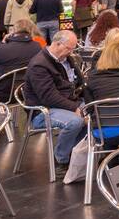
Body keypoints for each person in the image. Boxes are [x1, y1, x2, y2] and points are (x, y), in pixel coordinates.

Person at [23, 31, 87, 174]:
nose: (70, 52)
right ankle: (61, 160)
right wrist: (75, 107)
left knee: (94, 113)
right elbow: (48, 97)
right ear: (57, 44)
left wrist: (85, 103)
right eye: (68, 48)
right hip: (42, 111)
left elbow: (80, 82)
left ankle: (75, 153)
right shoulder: (39, 65)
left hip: (66, 103)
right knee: (75, 121)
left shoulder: (66, 59)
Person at [0, 18, 42, 98]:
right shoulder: (37, 46)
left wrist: (2, 42)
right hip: (25, 91)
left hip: (1, 92)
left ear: (14, 30)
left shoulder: (3, 48)